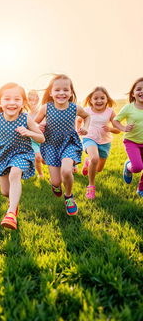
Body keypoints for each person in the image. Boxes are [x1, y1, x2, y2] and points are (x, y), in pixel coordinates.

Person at [0, 82, 45, 230]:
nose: (12, 103)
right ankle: (14, 206)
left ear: (23, 102)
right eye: (7, 99)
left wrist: (30, 133)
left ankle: (10, 213)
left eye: (17, 99)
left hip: (21, 153)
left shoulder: (26, 118)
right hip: (2, 155)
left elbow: (41, 138)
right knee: (5, 192)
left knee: (15, 174)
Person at [35, 74, 90, 216]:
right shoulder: (45, 108)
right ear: (51, 93)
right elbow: (34, 123)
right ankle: (56, 185)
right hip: (51, 144)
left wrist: (86, 127)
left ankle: (69, 196)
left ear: (71, 92)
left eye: (65, 90)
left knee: (66, 171)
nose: (61, 93)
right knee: (56, 181)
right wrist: (39, 126)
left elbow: (87, 116)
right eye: (57, 90)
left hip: (69, 143)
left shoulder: (75, 108)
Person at [80, 87, 120, 199]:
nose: (99, 101)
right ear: (90, 100)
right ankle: (91, 186)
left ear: (107, 99)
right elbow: (78, 121)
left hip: (105, 142)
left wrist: (110, 129)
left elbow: (118, 129)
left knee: (99, 169)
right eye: (96, 98)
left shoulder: (110, 112)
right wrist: (80, 128)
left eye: (102, 98)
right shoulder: (86, 111)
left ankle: (88, 162)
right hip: (89, 139)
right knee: (95, 158)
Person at [113, 77, 143, 197]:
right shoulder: (128, 108)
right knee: (137, 167)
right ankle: (128, 166)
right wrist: (123, 128)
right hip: (132, 142)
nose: (142, 91)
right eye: (139, 89)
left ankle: (141, 189)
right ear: (133, 93)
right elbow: (116, 121)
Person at [27, 89, 44, 178]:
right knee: (38, 158)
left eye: (35, 100)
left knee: (45, 160)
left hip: (44, 139)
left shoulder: (41, 111)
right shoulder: (25, 113)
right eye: (30, 100)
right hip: (33, 140)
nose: (33, 102)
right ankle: (40, 174)